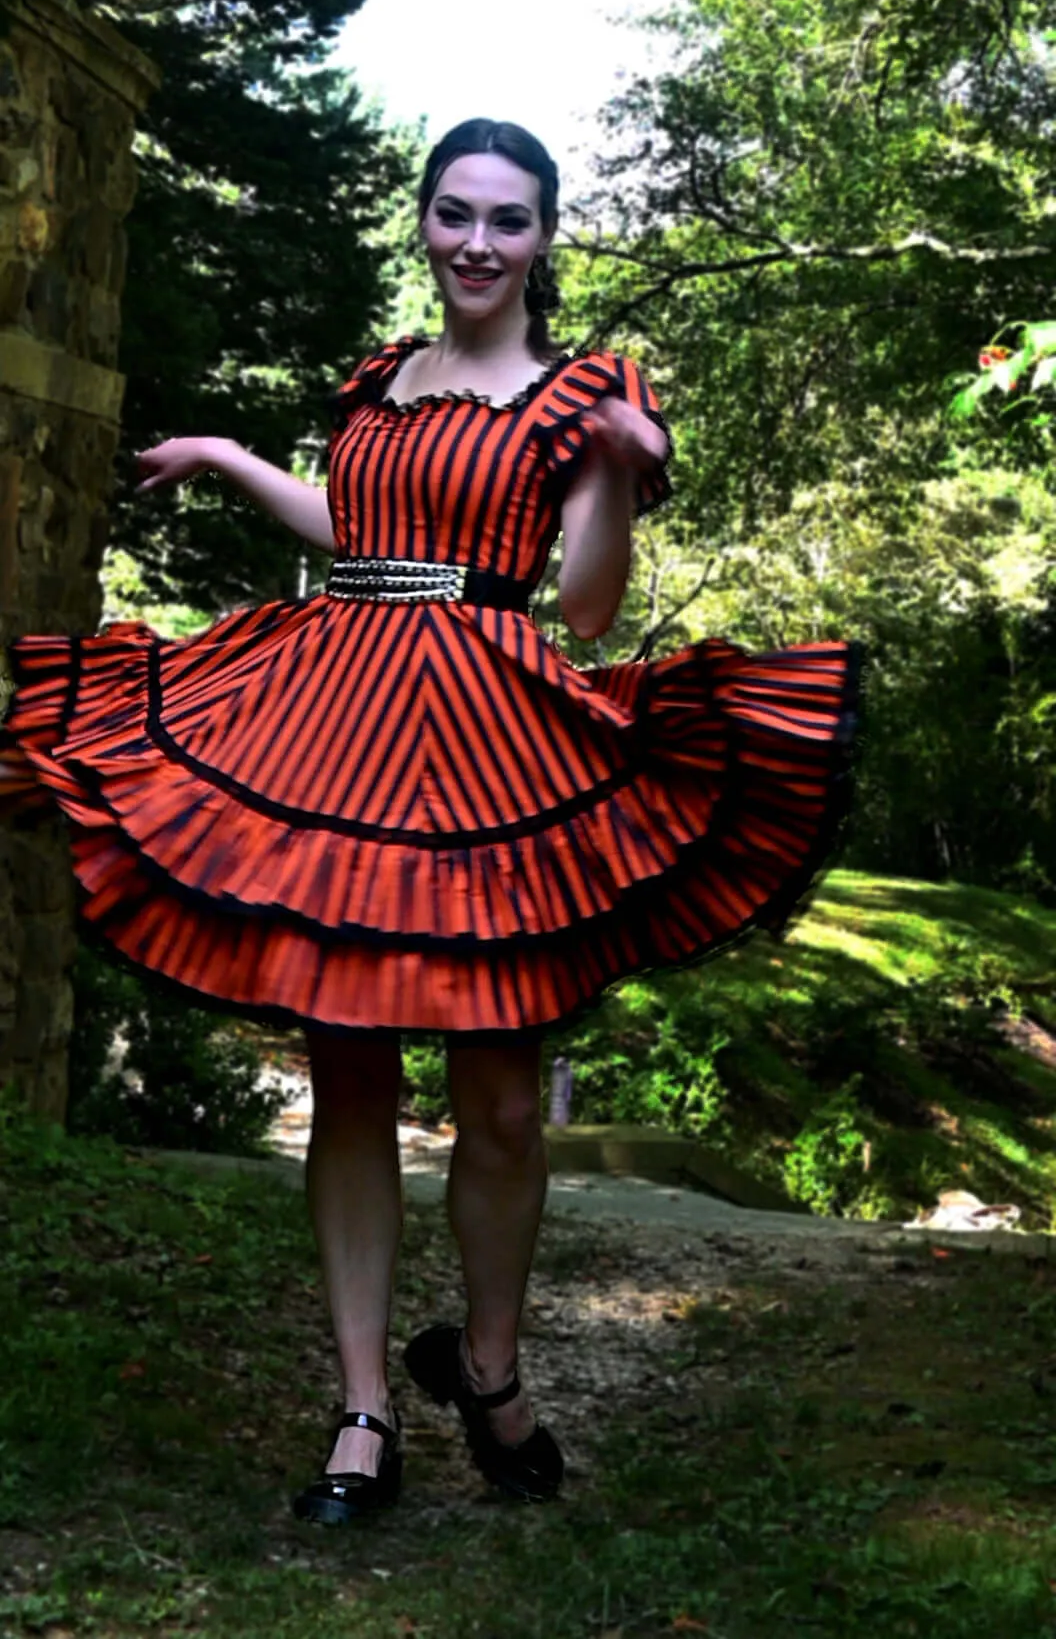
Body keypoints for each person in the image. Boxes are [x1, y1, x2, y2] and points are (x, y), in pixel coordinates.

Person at [0, 119, 860, 1523]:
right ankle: (360, 1409)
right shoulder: (380, 378)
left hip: (481, 742)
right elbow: (357, 535)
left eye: (507, 220)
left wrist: (624, 468)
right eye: (454, 212)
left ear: (543, 240)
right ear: (425, 220)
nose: (476, 241)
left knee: (505, 1103)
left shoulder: (586, 393)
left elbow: (583, 608)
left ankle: (492, 1365)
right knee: (348, 1076)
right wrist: (223, 454)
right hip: (331, 721)